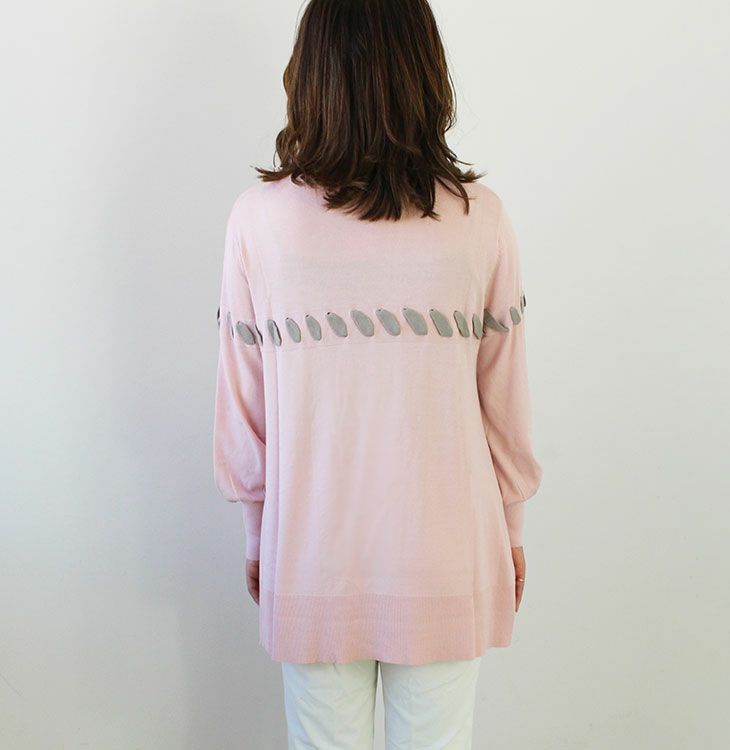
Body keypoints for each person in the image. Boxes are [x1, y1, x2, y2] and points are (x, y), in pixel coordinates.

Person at [212, 0, 544, 747]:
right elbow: (506, 403)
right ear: (425, 71)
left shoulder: (258, 221)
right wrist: (511, 526)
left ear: (312, 73)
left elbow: (243, 404)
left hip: (311, 552)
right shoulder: (481, 219)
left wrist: (258, 533)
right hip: (448, 552)